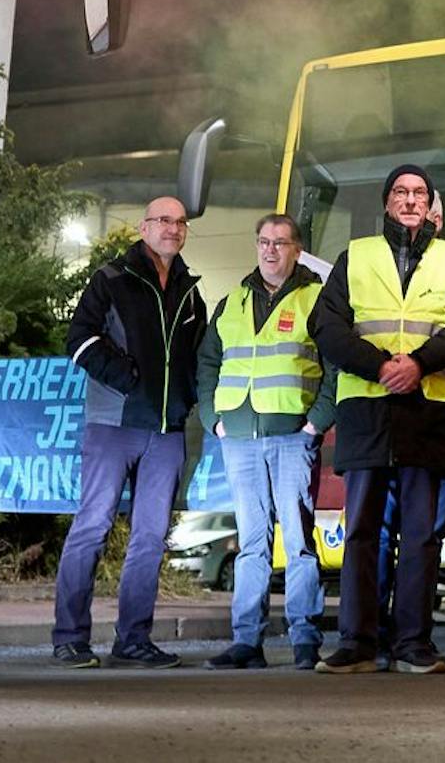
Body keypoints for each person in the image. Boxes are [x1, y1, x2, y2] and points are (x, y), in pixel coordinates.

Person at [311, 164, 445, 677]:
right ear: (386, 202)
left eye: (419, 193)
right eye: (401, 193)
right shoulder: (354, 257)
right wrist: (382, 365)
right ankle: (358, 644)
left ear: (431, 205)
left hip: (428, 412)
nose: (410, 201)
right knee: (360, 532)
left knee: (423, 535)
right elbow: (327, 325)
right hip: (367, 409)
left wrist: (419, 364)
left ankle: (412, 645)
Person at [52, 195, 207, 669]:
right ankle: (69, 638)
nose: (173, 229)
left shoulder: (190, 290)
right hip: (113, 424)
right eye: (164, 220)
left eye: (180, 222)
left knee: (149, 537)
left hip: (167, 430)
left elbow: (198, 354)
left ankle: (133, 638)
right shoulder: (111, 279)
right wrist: (128, 379)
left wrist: (186, 399)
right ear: (144, 228)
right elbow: (79, 340)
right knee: (92, 527)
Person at [196, 211, 332, 671]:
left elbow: (336, 366)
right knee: (252, 543)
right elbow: (208, 362)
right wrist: (213, 417)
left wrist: (317, 421)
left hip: (293, 435)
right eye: (263, 242)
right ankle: (246, 642)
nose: (270, 250)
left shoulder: (318, 298)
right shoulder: (233, 300)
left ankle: (304, 639)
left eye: (280, 242)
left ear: (297, 249)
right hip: (238, 436)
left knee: (298, 541)